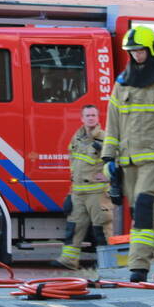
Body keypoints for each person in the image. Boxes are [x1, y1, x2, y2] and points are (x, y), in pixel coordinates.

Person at [101, 27, 154, 284]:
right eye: (132, 51)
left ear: (151, 51)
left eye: (140, 50)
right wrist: (107, 158)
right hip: (128, 161)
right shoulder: (121, 82)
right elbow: (112, 123)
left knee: (145, 208)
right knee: (143, 215)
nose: (136, 55)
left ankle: (138, 267)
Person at [55, 104, 112, 270]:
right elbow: (73, 161)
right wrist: (70, 191)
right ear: (82, 118)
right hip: (78, 192)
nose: (91, 118)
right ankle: (68, 261)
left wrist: (107, 175)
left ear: (98, 117)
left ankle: (107, 264)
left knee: (101, 229)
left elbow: (119, 159)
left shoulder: (105, 138)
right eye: (87, 115)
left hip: (98, 192)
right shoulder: (77, 138)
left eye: (93, 115)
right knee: (74, 228)